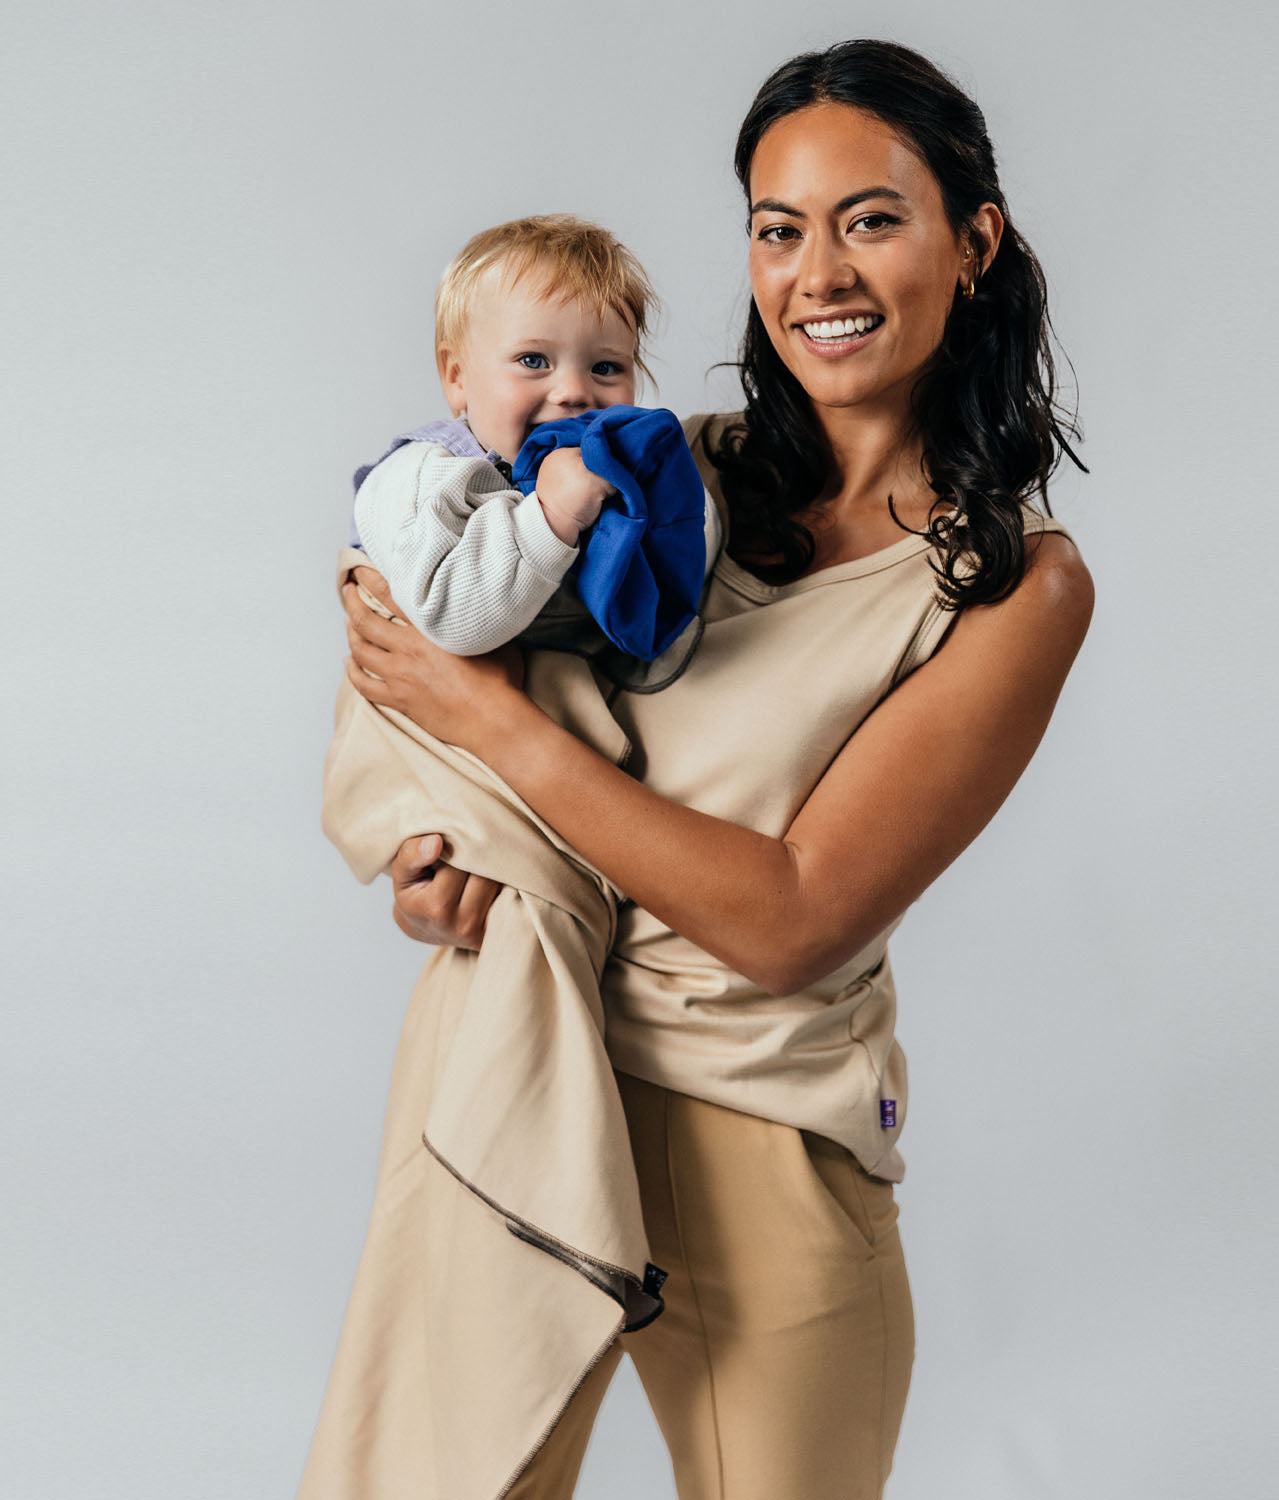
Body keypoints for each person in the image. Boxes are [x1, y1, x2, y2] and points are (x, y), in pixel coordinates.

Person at [322, 37, 1095, 1500]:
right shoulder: (665, 472)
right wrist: (425, 855)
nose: (822, 273)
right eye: (778, 228)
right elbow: (409, 636)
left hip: (765, 1139)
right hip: (524, 1077)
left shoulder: (1010, 589)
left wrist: (491, 728)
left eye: (873, 218)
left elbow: (794, 916)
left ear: (973, 240)